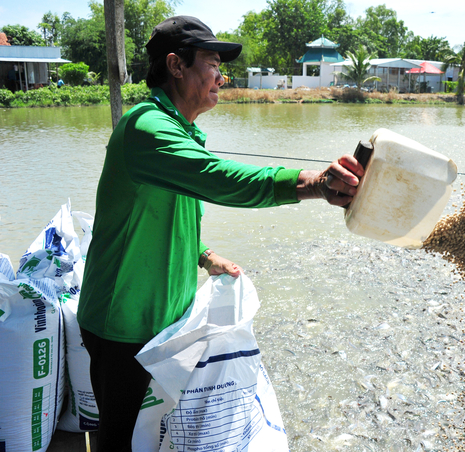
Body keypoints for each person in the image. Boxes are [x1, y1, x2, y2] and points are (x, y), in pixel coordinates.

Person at [76, 15, 364, 452]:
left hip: (165, 321)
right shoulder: (147, 128)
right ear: (176, 66)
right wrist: (316, 183)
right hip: (122, 324)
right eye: (212, 63)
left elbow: (173, 218)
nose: (222, 76)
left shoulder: (184, 131)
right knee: (119, 437)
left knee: (157, 432)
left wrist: (206, 256)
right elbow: (222, 180)